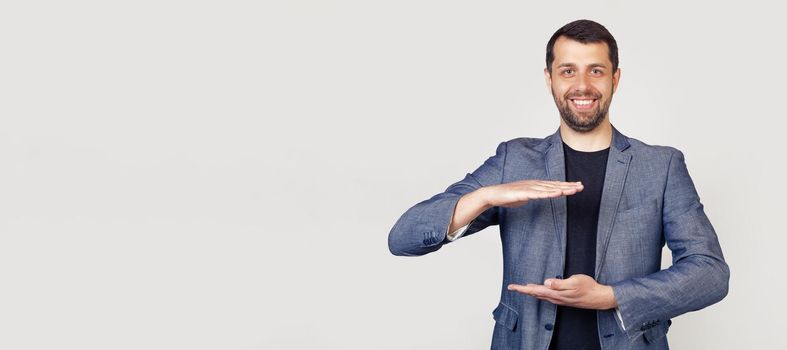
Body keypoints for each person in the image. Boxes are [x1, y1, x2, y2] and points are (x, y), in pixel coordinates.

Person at [387, 19, 729, 350]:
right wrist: (487, 196)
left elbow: (710, 273)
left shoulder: (661, 166)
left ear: (615, 79)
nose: (582, 84)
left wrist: (610, 297)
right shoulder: (514, 160)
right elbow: (403, 238)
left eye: (595, 70)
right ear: (550, 79)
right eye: (568, 71)